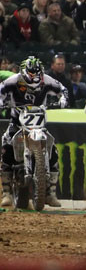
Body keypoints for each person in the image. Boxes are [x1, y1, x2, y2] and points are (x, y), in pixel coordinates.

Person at [0, 57, 69, 207]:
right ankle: (6, 192)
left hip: (38, 122)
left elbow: (62, 89)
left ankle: (50, 193)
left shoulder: (46, 80)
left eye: (37, 73)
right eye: (31, 74)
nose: (34, 77)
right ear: (24, 72)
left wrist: (63, 100)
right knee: (6, 147)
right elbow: (1, 90)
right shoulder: (13, 80)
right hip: (18, 121)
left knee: (53, 151)